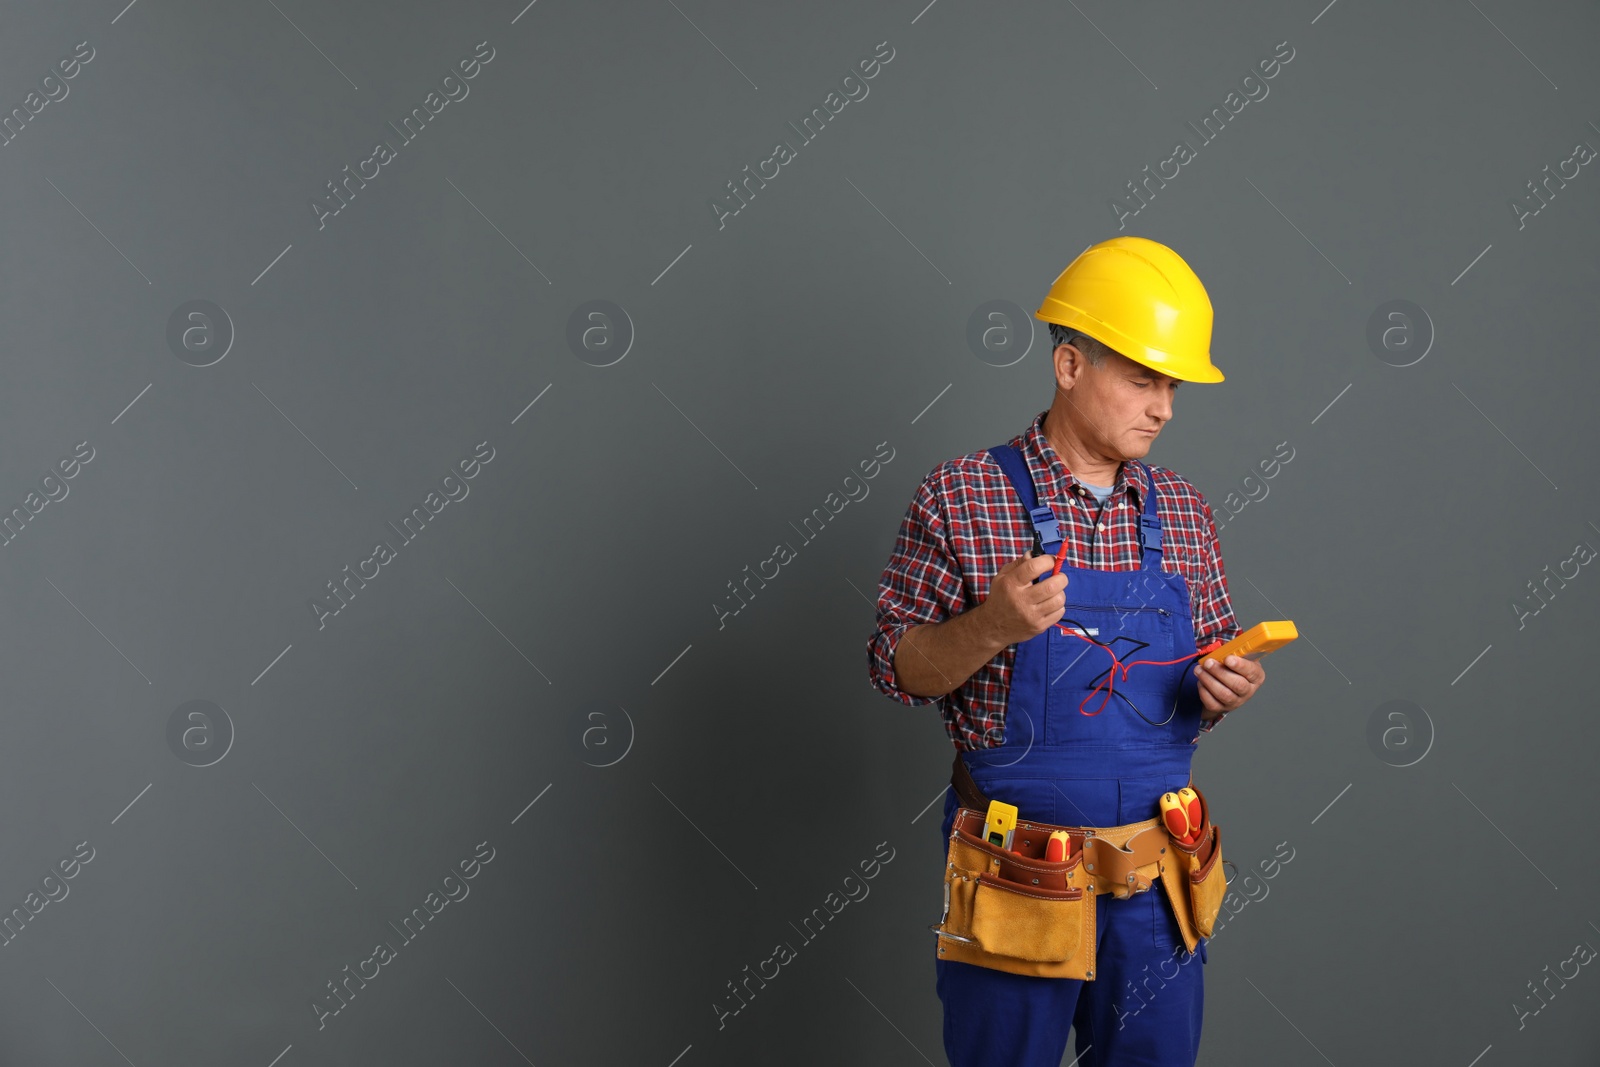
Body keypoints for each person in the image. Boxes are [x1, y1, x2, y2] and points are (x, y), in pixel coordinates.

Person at [866, 236, 1268, 1066]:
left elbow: (1195, 684)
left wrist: (1224, 686)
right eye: (1143, 379)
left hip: (1157, 883)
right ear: (1070, 365)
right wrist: (992, 625)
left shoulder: (1186, 514)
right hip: (1015, 874)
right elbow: (896, 668)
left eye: (1171, 386)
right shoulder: (962, 494)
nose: (1163, 407)